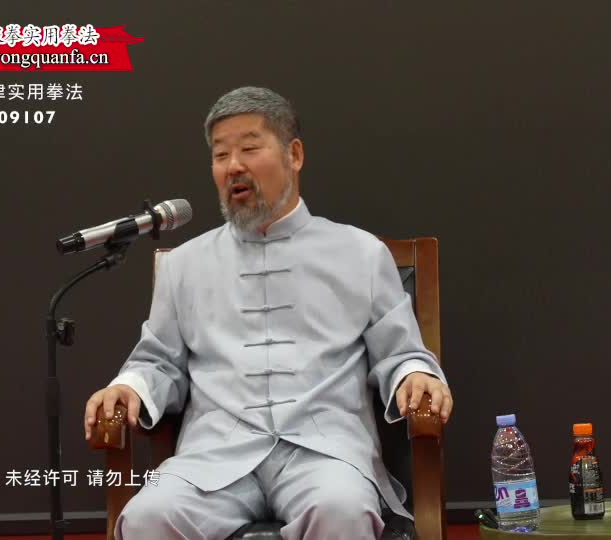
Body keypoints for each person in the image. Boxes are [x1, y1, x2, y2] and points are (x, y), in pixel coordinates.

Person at [83, 87, 452, 540]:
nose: (233, 166)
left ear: (294, 155)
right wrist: (130, 387)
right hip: (213, 456)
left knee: (341, 510)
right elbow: (158, 362)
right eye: (221, 155)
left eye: (250, 148)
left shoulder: (360, 252)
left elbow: (400, 353)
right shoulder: (186, 264)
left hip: (325, 452)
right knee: (147, 517)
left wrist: (415, 375)